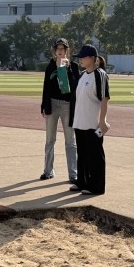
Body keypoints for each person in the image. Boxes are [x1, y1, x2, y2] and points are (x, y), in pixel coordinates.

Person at [70, 44, 110, 195]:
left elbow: (104, 98)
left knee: (95, 155)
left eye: (83, 57)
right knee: (82, 154)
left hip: (93, 123)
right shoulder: (82, 75)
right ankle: (82, 181)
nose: (80, 59)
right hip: (80, 122)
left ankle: (97, 186)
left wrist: (102, 120)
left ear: (93, 58)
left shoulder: (100, 75)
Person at [39, 38, 80, 183]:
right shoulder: (50, 66)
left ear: (67, 50)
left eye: (63, 48)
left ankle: (73, 174)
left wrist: (68, 69)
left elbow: (76, 86)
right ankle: (48, 171)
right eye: (58, 48)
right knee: (50, 139)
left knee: (70, 141)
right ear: (54, 51)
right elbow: (46, 87)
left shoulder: (73, 66)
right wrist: (44, 106)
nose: (60, 51)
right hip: (52, 104)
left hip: (67, 105)